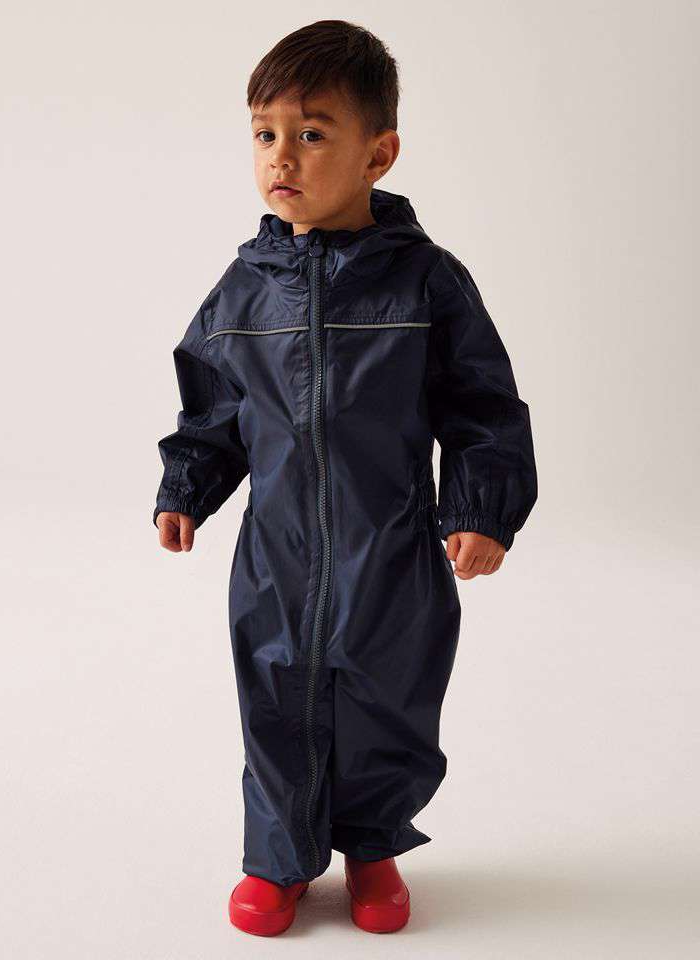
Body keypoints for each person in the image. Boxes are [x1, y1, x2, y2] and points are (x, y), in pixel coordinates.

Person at [153, 19, 537, 937]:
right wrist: (186, 487)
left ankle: (372, 847)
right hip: (277, 551)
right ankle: (278, 859)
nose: (281, 156)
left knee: (388, 696)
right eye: (265, 133)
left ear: (379, 153)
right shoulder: (245, 288)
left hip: (392, 544)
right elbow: (214, 407)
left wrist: (481, 507)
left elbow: (481, 404)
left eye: (312, 132)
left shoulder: (426, 284)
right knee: (275, 696)